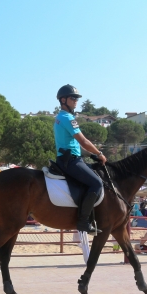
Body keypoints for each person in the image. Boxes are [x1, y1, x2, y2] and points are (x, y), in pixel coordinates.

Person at [54, 84, 106, 234]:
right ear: (63, 100)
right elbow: (84, 141)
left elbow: (75, 146)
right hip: (71, 162)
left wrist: (91, 155)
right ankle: (83, 222)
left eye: (77, 98)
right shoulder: (67, 118)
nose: (76, 101)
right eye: (73, 98)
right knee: (96, 184)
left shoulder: (61, 117)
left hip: (71, 158)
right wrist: (100, 153)